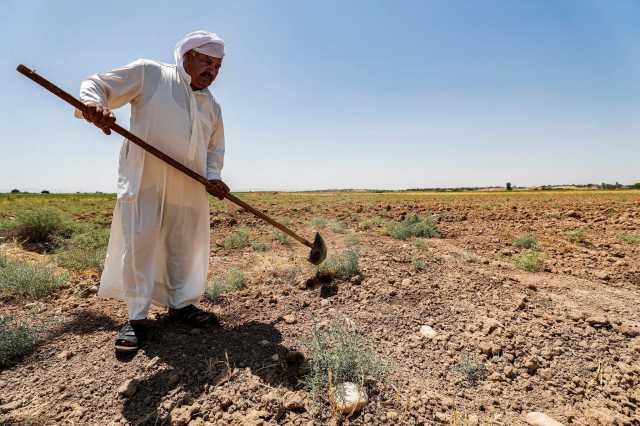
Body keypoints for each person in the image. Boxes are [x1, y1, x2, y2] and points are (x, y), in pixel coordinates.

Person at [77, 30, 230, 353]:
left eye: (218, 66)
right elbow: (97, 84)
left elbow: (215, 148)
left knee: (183, 245)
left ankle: (181, 304)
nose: (212, 70)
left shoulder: (211, 106)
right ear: (187, 55)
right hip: (145, 177)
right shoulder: (150, 74)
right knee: (141, 243)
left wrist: (213, 176)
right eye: (207, 61)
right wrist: (94, 105)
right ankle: (137, 318)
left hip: (189, 185)